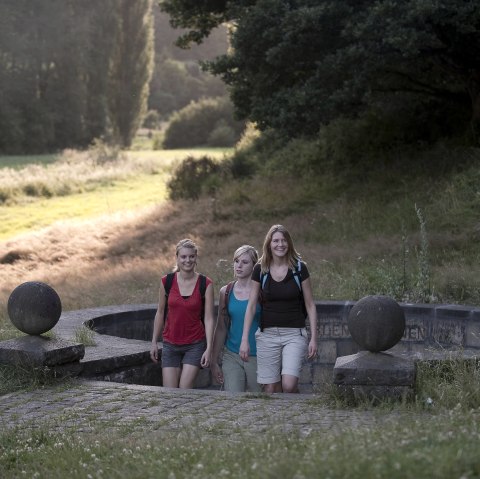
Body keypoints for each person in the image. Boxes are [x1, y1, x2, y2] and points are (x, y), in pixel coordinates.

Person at [239, 224, 318, 393]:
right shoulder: (260, 269)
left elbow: (310, 304)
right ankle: (278, 418)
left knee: (288, 385)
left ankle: (294, 408)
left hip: (294, 334)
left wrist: (313, 338)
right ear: (269, 244)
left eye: (283, 240)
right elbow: (251, 305)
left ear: (289, 243)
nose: (280, 244)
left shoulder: (299, 268)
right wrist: (244, 339)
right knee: (270, 388)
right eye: (275, 241)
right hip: (268, 334)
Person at [150, 238, 215, 389]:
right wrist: (154, 341)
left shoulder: (206, 284)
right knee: (169, 392)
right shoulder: (167, 281)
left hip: (194, 345)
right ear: (177, 258)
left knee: (184, 390)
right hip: (170, 344)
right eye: (183, 257)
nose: (188, 260)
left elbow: (209, 318)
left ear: (196, 257)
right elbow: (160, 313)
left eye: (191, 256)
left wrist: (209, 348)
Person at [211, 245, 262, 393]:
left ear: (254, 266)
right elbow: (221, 327)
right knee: (232, 399)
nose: (239, 266)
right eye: (236, 261)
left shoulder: (262, 291)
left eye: (245, 262)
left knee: (259, 401)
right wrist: (214, 361)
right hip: (232, 354)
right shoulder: (226, 292)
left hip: (257, 356)